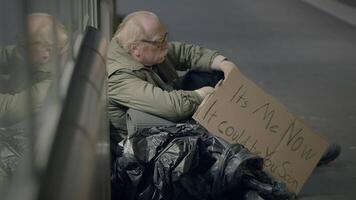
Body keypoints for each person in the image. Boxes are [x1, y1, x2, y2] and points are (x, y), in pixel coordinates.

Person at [107, 11, 340, 166]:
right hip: (153, 140)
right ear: (136, 49)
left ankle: (298, 147)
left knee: (213, 75)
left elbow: (187, 52)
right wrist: (203, 94)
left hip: (168, 119)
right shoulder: (119, 77)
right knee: (211, 99)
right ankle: (277, 158)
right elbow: (171, 107)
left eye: (165, 38)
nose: (167, 45)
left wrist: (224, 63)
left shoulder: (147, 51)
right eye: (161, 41)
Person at [0, 13, 68, 126]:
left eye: (25, 41)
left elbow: (5, 109)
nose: (19, 39)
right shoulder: (37, 54)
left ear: (47, 53)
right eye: (21, 35)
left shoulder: (50, 87)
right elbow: (7, 54)